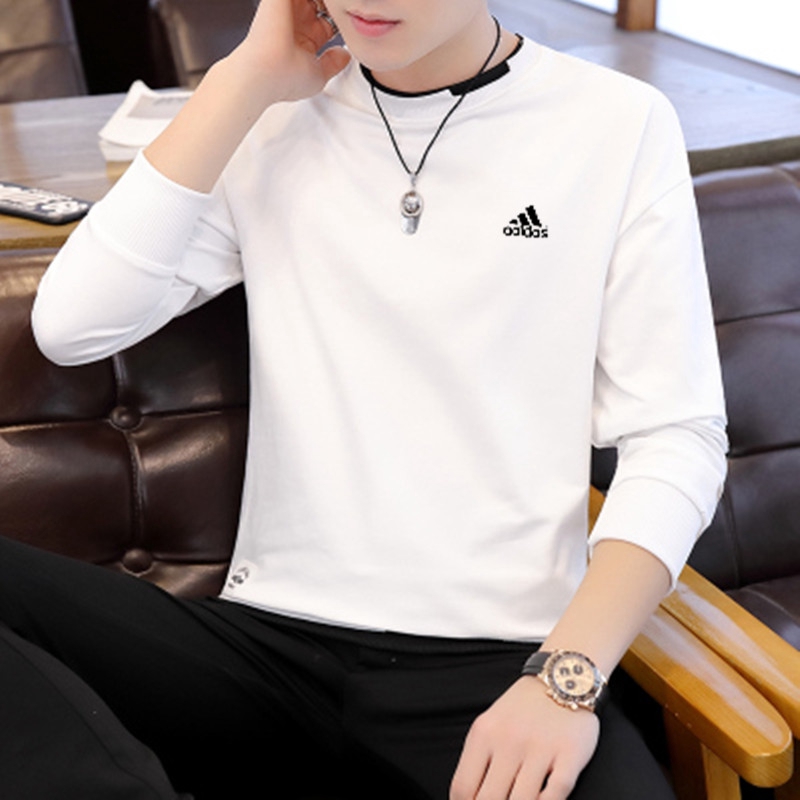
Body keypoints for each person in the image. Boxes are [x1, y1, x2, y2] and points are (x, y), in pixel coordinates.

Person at [8, 0, 727, 797]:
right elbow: (71, 326)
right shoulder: (269, 117)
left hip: (498, 667)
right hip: (265, 652)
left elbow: (677, 436)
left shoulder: (615, 124)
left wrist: (567, 679)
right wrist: (240, 80)